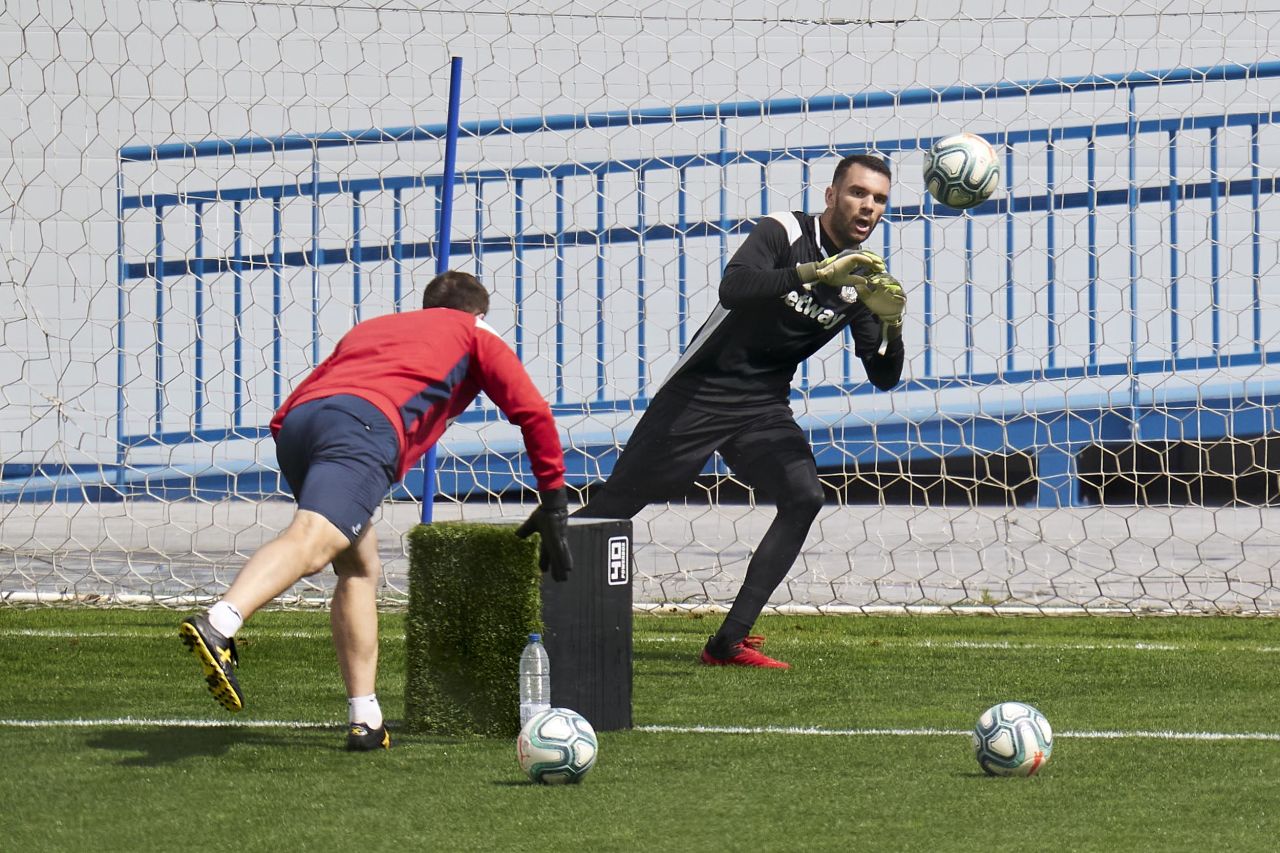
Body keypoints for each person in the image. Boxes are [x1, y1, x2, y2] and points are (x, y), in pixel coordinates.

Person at [179, 270, 573, 750]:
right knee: (313, 541)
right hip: (364, 428)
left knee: (360, 567)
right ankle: (220, 623)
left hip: (300, 425)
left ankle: (365, 718)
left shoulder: (376, 327)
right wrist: (553, 498)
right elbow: (533, 411)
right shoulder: (474, 333)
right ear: (479, 313)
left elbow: (316, 385)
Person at [575, 153, 906, 669]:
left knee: (804, 496)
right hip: (700, 391)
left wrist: (893, 325)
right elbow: (736, 287)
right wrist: (815, 271)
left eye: (879, 199)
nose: (868, 206)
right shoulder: (783, 231)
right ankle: (522, 585)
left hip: (762, 405)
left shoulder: (864, 281)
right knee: (618, 505)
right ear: (831, 195)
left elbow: (883, 375)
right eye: (858, 192)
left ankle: (727, 641)